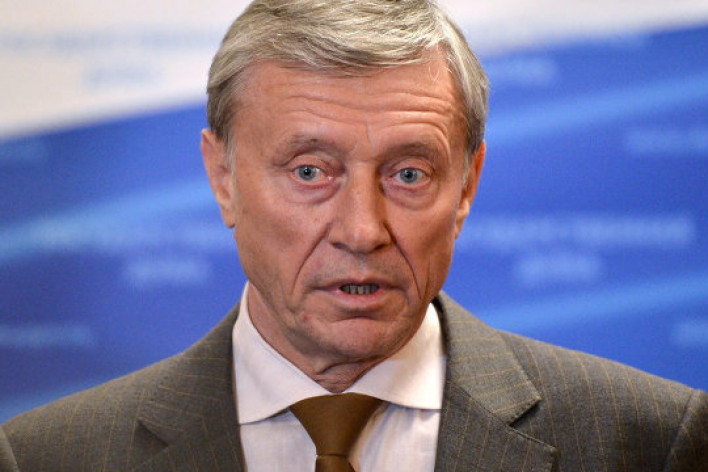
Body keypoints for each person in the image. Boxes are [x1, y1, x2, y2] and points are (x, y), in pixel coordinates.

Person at [2, 0, 707, 470]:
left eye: (409, 174)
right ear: (223, 178)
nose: (363, 231)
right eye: (310, 171)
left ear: (467, 185)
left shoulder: (648, 442)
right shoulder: (47, 458)